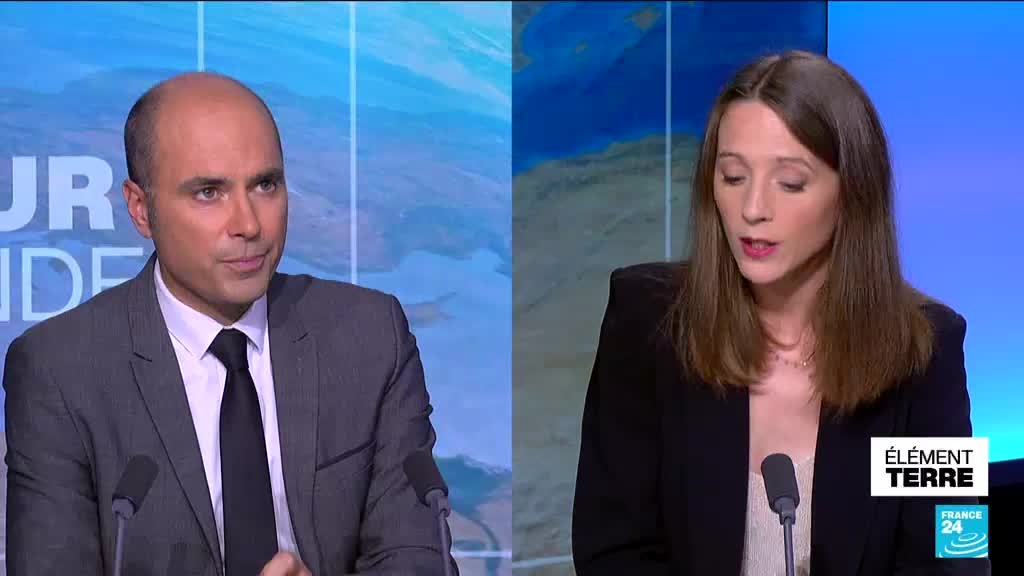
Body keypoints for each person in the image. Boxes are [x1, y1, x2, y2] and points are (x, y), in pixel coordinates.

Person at [3, 72, 458, 576]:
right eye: (208, 192)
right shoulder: (60, 371)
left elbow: (417, 558)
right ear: (141, 209)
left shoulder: (368, 337)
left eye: (265, 185)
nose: (248, 224)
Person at [571, 51, 990, 575]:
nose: (753, 209)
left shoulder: (925, 351)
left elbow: (956, 554)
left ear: (852, 194)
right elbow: (613, 551)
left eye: (789, 183)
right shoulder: (647, 323)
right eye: (733, 176)